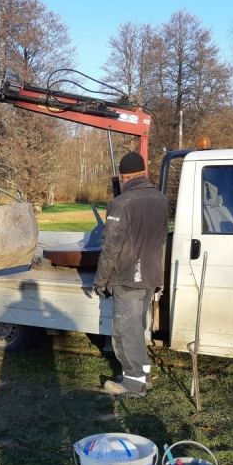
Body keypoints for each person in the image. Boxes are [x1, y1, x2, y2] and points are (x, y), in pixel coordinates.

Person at [92, 151, 169, 397]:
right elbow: (161, 240)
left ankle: (134, 386)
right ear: (143, 172)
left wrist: (100, 280)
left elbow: (110, 246)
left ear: (124, 177)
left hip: (128, 278)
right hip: (150, 277)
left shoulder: (122, 203)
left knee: (126, 334)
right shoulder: (161, 199)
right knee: (138, 331)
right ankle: (143, 376)